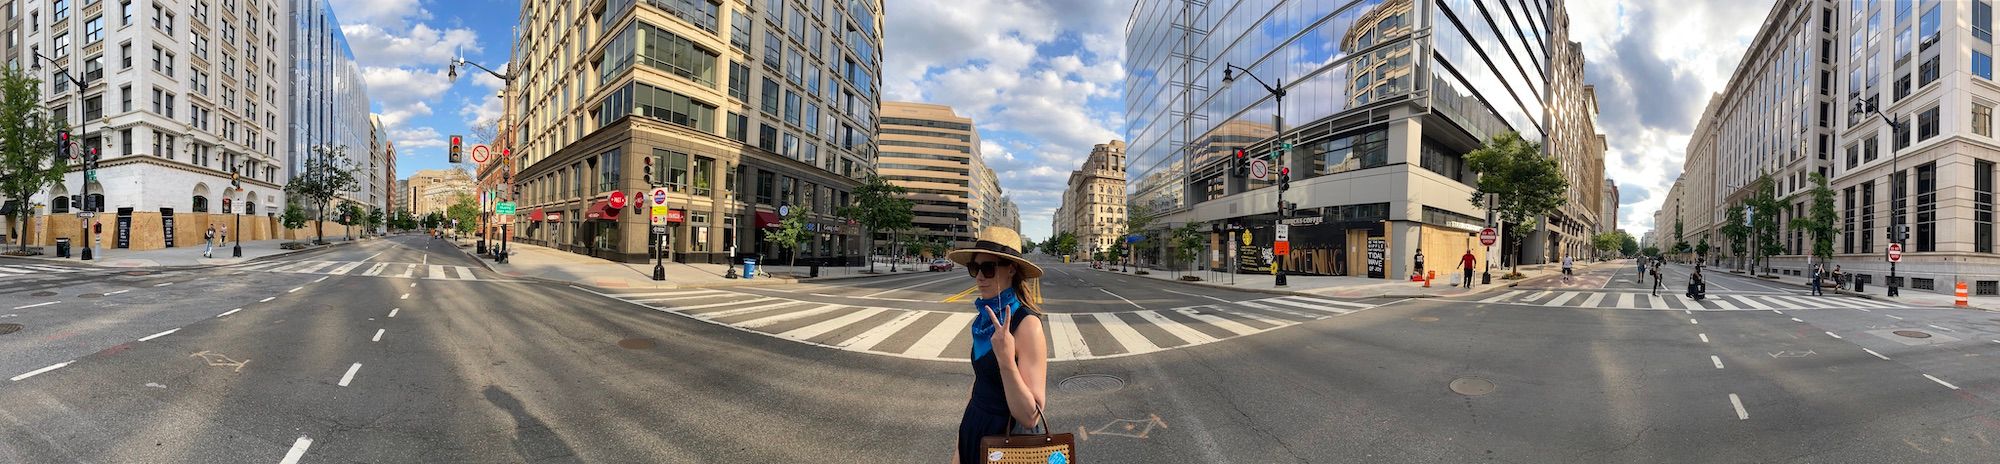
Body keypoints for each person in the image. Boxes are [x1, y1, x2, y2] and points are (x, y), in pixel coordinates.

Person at [946, 227, 1049, 464]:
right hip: (974, 428)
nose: (980, 277)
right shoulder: (984, 319)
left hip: (1007, 441)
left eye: (988, 268)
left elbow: (1030, 416)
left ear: (1011, 269)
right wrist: (959, 448)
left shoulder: (1027, 325)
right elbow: (980, 381)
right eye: (975, 268)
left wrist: (1006, 361)